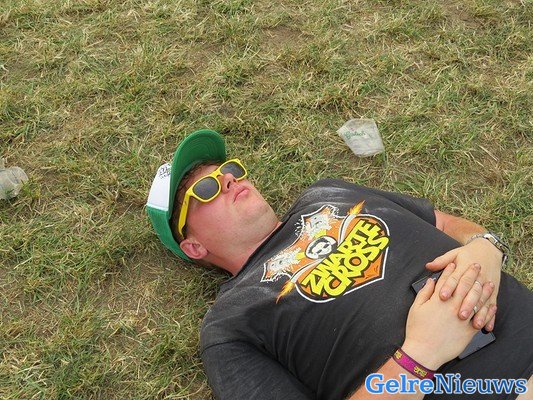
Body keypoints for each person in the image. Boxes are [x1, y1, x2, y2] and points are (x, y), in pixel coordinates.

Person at [146, 130, 533, 399]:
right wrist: (419, 355)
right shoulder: (229, 325)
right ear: (193, 246)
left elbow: (446, 224)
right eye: (206, 189)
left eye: (228, 171)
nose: (229, 180)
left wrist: (486, 246)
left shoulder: (326, 192)